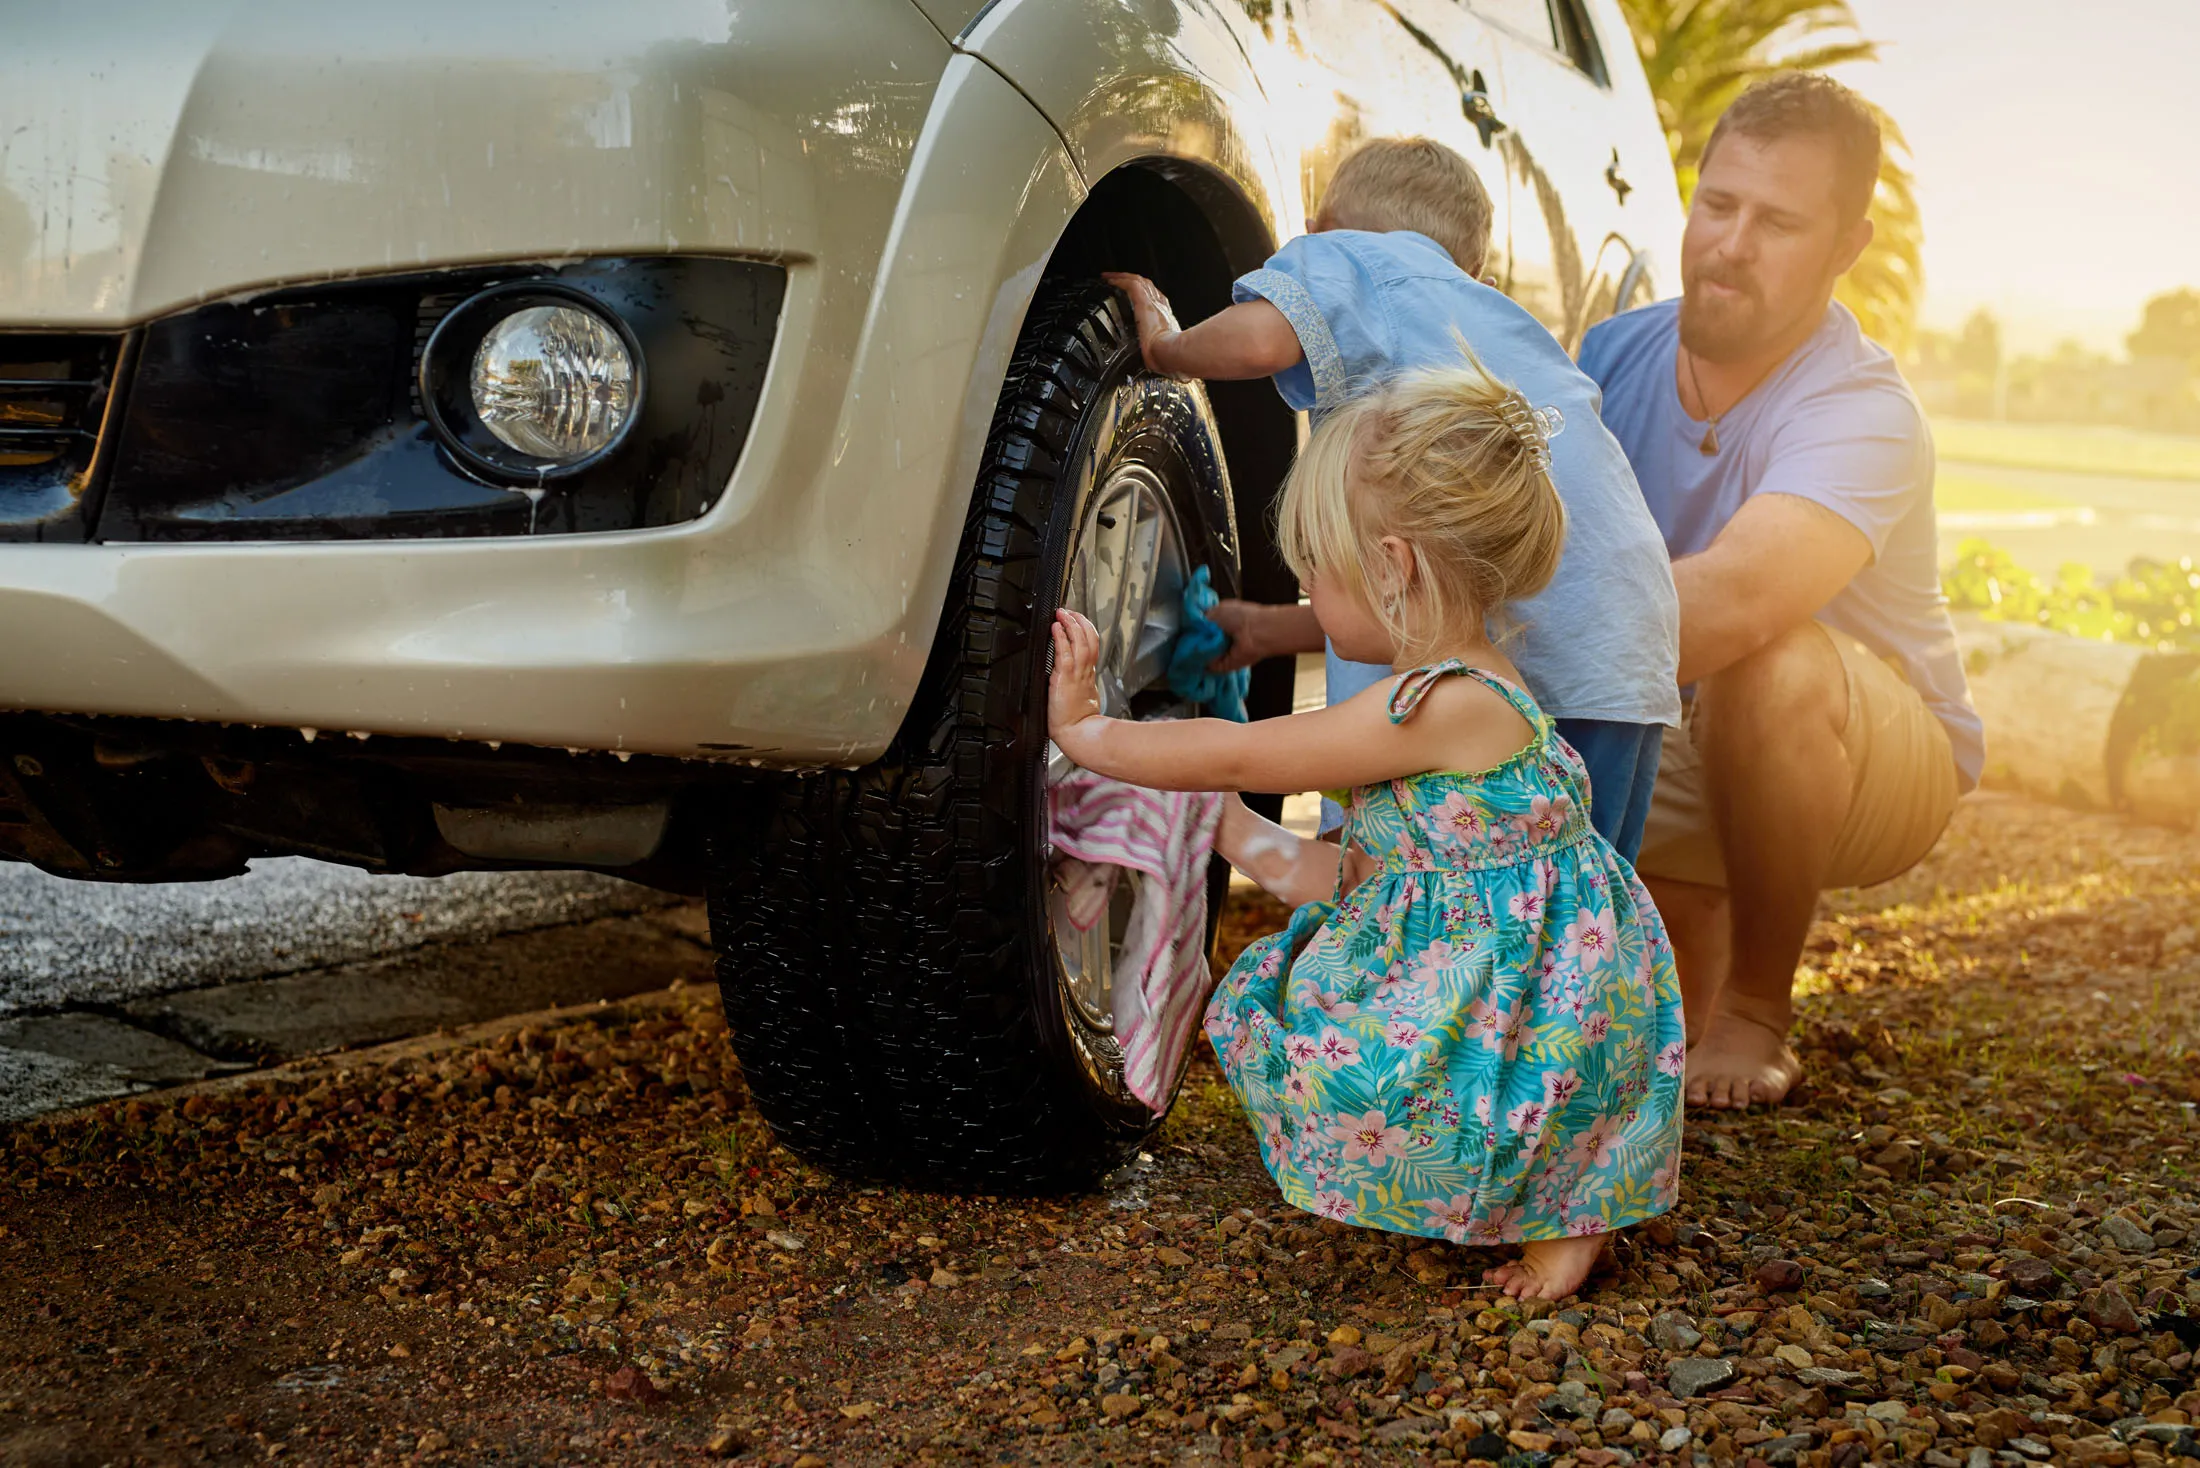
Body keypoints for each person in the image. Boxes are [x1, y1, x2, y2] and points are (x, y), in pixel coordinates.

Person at [1047, 360, 1684, 1301]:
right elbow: (1366, 880)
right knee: (1400, 1058)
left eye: (1316, 570)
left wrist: (1090, 732)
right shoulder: (1463, 691)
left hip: (1544, 990)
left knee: (1459, 1089)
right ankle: (1543, 1201)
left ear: (1393, 568)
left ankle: (1572, 1225)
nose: (1305, 587)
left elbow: (1245, 752)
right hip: (1512, 956)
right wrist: (1225, 831)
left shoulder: (1439, 704)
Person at [1103, 135, 1680, 862]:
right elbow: (1455, 594)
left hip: (1534, 645)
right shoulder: (1503, 324)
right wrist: (1270, 629)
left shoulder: (1353, 256)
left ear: (1319, 228)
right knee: (1569, 905)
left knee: (1375, 855)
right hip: (1624, 644)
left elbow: (1255, 345)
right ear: (1474, 268)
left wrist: (1166, 346)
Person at [1577, 73, 1981, 1110]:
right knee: (1631, 1043)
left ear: (1848, 243)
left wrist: (1475, 685)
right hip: (1673, 711)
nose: (1730, 243)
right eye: (1718, 204)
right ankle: (1700, 968)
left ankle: (1760, 1006)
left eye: (1779, 221)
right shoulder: (1611, 355)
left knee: (1767, 652)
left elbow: (1735, 601)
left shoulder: (1862, 410)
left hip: (1864, 752)